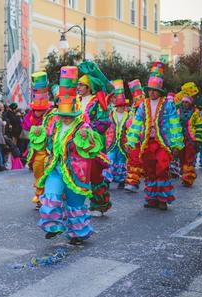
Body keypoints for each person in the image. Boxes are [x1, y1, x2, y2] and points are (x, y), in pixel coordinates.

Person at [38, 66, 103, 245]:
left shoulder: (83, 127)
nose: (65, 118)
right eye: (63, 114)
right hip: (56, 168)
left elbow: (94, 145)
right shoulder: (54, 125)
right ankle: (53, 226)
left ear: (75, 112)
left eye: (69, 115)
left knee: (75, 205)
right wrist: (38, 133)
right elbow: (45, 141)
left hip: (76, 171)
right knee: (51, 196)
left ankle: (77, 233)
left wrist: (85, 138)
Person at [126, 62, 184, 210]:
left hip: (162, 143)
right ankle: (152, 197)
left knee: (162, 168)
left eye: (155, 90)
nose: (152, 93)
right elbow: (136, 124)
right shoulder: (143, 105)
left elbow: (174, 124)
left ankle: (162, 199)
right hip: (147, 142)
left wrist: (177, 144)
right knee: (150, 169)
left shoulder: (167, 105)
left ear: (160, 91)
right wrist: (131, 142)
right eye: (150, 90)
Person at [77, 61, 112, 214]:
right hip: (75, 144)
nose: (78, 87)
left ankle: (100, 204)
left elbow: (104, 122)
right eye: (77, 84)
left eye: (81, 85)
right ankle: (74, 206)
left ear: (88, 87)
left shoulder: (98, 102)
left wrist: (88, 131)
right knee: (75, 172)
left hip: (93, 144)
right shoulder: (74, 102)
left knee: (94, 175)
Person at [24, 71, 53, 208]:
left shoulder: (53, 116)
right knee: (38, 174)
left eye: (40, 110)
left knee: (49, 175)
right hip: (36, 153)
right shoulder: (31, 117)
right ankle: (40, 197)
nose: (37, 112)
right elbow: (26, 127)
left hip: (50, 152)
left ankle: (48, 198)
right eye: (35, 109)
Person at [103, 80, 132, 189]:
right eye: (119, 105)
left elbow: (130, 129)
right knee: (110, 159)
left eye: (122, 105)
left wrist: (129, 142)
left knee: (121, 161)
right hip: (111, 143)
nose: (121, 107)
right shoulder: (111, 115)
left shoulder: (128, 116)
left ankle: (121, 180)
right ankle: (107, 180)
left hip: (122, 144)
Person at [177, 95, 202, 187]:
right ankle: (184, 174)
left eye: (187, 102)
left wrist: (198, 140)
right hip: (180, 139)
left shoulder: (195, 113)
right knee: (181, 158)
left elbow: (199, 126)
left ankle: (188, 178)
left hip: (191, 139)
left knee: (189, 159)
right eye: (183, 102)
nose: (185, 104)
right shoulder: (178, 112)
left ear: (190, 103)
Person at [124, 79, 145, 192]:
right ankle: (133, 182)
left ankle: (152, 186)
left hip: (146, 140)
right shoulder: (132, 112)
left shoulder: (148, 112)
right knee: (133, 161)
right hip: (134, 140)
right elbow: (129, 125)